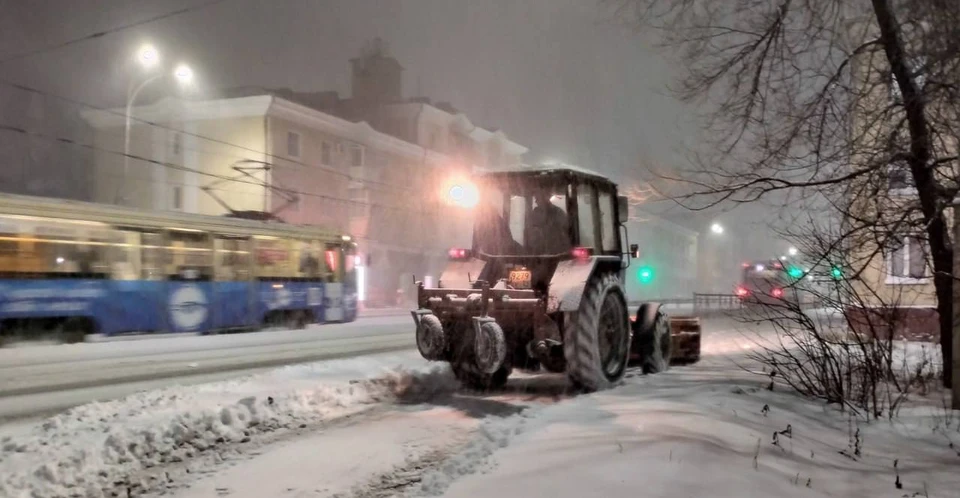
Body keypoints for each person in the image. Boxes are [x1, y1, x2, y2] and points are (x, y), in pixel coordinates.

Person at [526, 189, 571, 255]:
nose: (536, 201)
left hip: (557, 254)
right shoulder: (534, 214)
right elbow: (530, 233)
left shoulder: (558, 213)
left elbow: (565, 231)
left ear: (545, 198)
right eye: (536, 198)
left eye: (538, 198)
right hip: (537, 255)